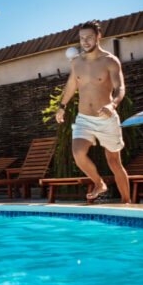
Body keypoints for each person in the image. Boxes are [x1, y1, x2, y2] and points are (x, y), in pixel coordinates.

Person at [55, 20, 131, 204]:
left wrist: (112, 105)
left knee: (114, 162)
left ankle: (127, 202)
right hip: (84, 118)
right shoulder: (77, 62)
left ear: (98, 37)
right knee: (78, 153)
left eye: (89, 37)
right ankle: (99, 184)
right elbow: (72, 85)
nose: (85, 41)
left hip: (106, 118)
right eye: (82, 38)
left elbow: (120, 88)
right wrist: (62, 106)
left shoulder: (110, 61)